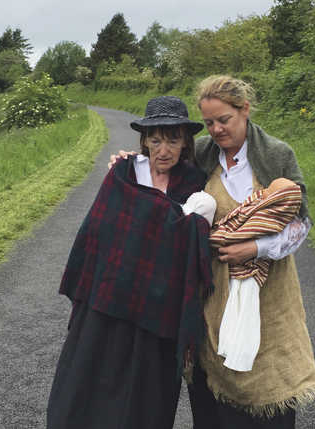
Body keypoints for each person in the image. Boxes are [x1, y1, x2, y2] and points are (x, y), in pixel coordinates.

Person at [110, 76, 315, 428]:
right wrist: (128, 163)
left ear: (244, 110)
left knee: (270, 377)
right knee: (213, 393)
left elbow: (300, 222)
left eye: (223, 120)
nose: (216, 130)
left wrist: (255, 247)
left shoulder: (275, 154)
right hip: (211, 294)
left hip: (270, 291)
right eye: (209, 122)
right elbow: (160, 168)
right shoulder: (201, 155)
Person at [47, 96, 216, 429]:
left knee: (145, 396)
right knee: (88, 379)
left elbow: (192, 245)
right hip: (108, 300)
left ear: (185, 142)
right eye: (155, 139)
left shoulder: (195, 186)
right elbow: (98, 233)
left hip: (158, 309)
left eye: (172, 140)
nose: (163, 149)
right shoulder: (123, 174)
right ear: (144, 141)